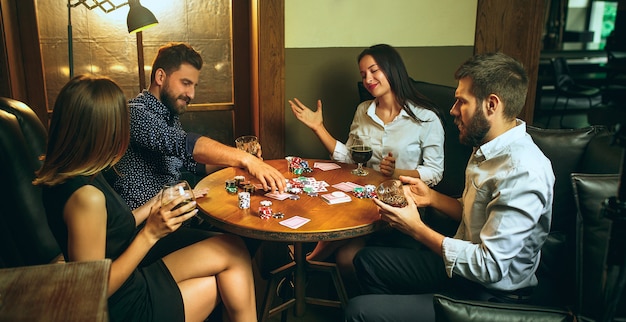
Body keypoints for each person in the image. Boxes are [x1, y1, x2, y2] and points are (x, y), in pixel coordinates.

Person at [344, 52, 555, 321]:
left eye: (461, 101)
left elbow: (489, 267)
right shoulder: (487, 149)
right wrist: (430, 197)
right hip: (463, 273)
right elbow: (473, 214)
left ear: (492, 104)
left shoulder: (521, 170)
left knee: (357, 311)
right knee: (366, 261)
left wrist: (416, 229)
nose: (453, 110)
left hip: (489, 295)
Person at [34, 75, 257, 322]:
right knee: (225, 283)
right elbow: (94, 292)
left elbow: (112, 230)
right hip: (125, 305)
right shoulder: (87, 198)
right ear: (101, 131)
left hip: (131, 278)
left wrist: (158, 201)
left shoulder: (73, 174)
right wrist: (151, 233)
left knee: (232, 248)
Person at [288, 44, 445, 293]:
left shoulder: (426, 119)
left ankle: (306, 264)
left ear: (392, 69)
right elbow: (351, 158)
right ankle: (337, 288)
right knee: (345, 257)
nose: (368, 80)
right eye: (363, 75)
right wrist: (319, 128)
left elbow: (435, 173)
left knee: (344, 253)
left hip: (400, 209)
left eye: (374, 71)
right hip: (362, 201)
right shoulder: (363, 111)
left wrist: (396, 173)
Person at [107, 42, 285, 210]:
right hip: (149, 228)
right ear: (160, 77)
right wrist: (246, 159)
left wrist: (240, 161)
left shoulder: (169, 113)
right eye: (185, 83)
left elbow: (193, 164)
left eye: (194, 86)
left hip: (179, 213)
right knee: (243, 238)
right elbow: (183, 144)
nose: (191, 94)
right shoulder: (134, 113)